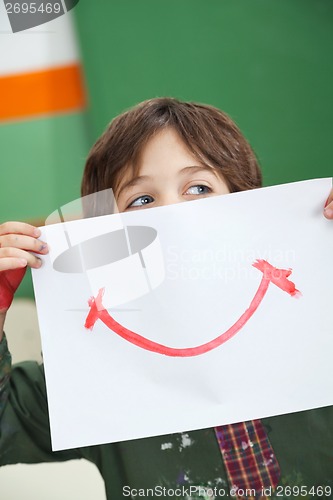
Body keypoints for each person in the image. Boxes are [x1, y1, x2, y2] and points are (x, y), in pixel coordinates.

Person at [0, 98, 332, 499]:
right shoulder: (89, 374)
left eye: (198, 188)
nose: (173, 214)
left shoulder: (317, 327)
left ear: (248, 205)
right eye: (142, 200)